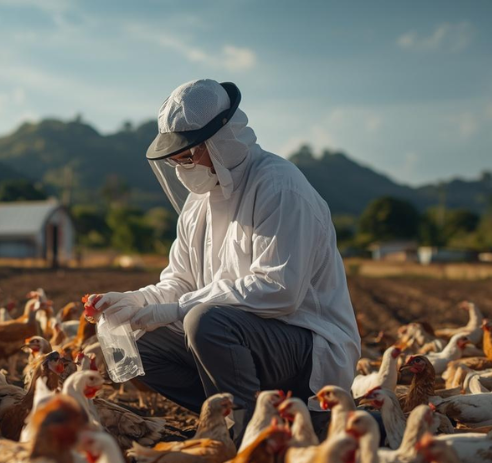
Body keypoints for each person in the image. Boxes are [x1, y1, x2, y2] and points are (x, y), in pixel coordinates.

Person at [89, 79, 360, 439]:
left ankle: (251, 439)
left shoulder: (278, 187)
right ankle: (237, 417)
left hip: (304, 340)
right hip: (239, 339)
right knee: (136, 343)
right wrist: (135, 302)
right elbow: (180, 282)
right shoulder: (197, 204)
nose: (181, 166)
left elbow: (279, 289)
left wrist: (175, 311)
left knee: (205, 321)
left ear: (222, 141)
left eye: (187, 154)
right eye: (175, 158)